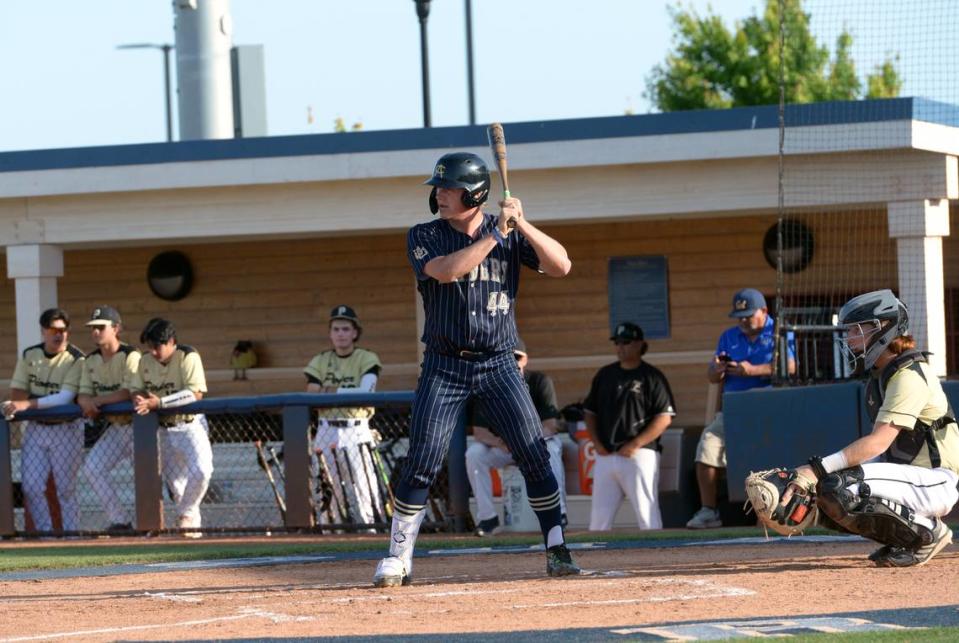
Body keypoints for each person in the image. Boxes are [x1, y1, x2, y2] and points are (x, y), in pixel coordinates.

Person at [373, 151, 577, 587]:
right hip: (444, 364)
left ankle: (557, 548)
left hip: (499, 362)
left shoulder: (508, 231)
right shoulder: (423, 235)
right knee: (422, 459)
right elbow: (447, 271)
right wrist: (494, 236)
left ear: (476, 193)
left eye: (448, 188)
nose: (440, 194)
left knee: (534, 454)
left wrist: (519, 224)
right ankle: (398, 557)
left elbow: (562, 266)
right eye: (439, 188)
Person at [779, 289, 958, 566]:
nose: (849, 338)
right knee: (828, 489)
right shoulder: (881, 377)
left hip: (935, 480)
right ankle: (904, 539)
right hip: (909, 478)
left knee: (840, 484)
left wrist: (816, 469)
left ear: (881, 328)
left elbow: (878, 443)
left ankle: (929, 533)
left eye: (855, 331)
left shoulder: (909, 375)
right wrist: (817, 484)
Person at [686, 288, 796, 529]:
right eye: (739, 316)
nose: (743, 320)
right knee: (708, 443)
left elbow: (791, 366)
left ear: (764, 311)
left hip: (769, 407)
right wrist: (716, 371)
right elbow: (712, 375)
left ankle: (769, 512)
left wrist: (753, 370)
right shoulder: (728, 336)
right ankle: (709, 511)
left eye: (748, 314)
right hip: (733, 408)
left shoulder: (779, 331)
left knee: (768, 456)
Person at [465, 338, 566, 536]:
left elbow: (550, 426)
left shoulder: (539, 382)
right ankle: (488, 518)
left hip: (534, 445)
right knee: (474, 453)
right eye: (507, 358)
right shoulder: (488, 385)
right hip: (504, 448)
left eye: (517, 357)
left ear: (525, 360)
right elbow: (479, 431)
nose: (512, 362)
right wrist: (500, 442)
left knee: (553, 448)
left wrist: (525, 442)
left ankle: (559, 513)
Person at [583, 322, 676, 530]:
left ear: (640, 344)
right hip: (606, 454)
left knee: (647, 515)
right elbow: (589, 412)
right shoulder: (605, 374)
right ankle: (594, 560)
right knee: (598, 522)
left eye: (625, 342)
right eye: (617, 342)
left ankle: (659, 558)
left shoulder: (652, 376)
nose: (620, 347)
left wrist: (636, 443)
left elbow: (664, 417)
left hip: (639, 454)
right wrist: (596, 442)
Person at [2, 308, 85, 534]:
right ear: (43, 332)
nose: (58, 335)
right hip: (37, 427)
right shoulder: (30, 355)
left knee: (65, 489)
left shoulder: (76, 358)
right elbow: (18, 390)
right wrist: (18, 403)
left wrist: (27, 404)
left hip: (66, 428)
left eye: (63, 330)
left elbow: (65, 398)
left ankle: (72, 535)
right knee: (31, 486)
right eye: (53, 330)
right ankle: (45, 533)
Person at [131, 318, 213, 538]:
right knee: (177, 487)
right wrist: (138, 397)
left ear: (171, 341)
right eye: (150, 346)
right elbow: (135, 389)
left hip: (189, 423)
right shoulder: (145, 361)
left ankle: (187, 515)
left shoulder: (187, 355)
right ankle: (191, 535)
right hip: (163, 430)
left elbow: (195, 394)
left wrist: (160, 403)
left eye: (157, 346)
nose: (153, 351)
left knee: (202, 471)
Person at [305, 305, 384, 528]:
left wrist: (331, 391)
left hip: (356, 427)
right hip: (326, 427)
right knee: (328, 485)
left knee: (363, 483)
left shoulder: (366, 357)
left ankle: (370, 528)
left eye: (346, 329)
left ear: (355, 332)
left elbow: (366, 393)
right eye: (336, 329)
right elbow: (311, 391)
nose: (341, 333)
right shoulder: (320, 360)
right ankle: (332, 530)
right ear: (330, 333)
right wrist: (348, 393)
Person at [78, 306, 141, 532]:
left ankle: (154, 524)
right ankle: (120, 520)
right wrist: (86, 401)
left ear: (116, 328)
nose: (96, 332)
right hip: (116, 427)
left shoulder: (130, 355)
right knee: (93, 468)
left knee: (147, 475)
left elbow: (129, 391)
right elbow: (83, 392)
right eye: (93, 328)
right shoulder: (90, 360)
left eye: (101, 327)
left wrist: (98, 401)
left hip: (139, 426)